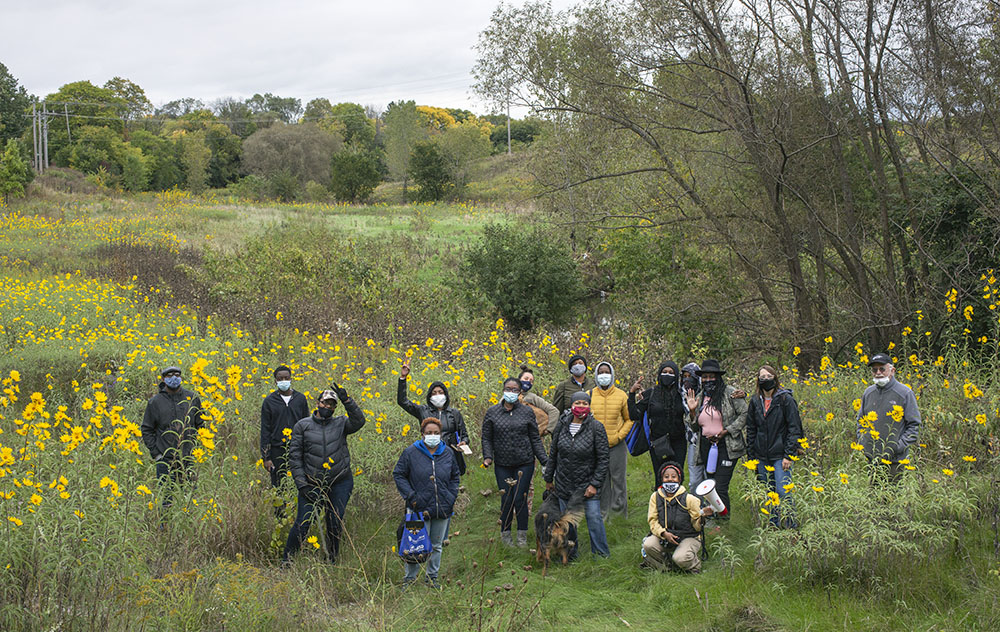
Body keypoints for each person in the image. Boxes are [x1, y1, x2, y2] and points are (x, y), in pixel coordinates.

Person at [283, 385, 366, 565]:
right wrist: (302, 484)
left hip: (339, 481)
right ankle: (287, 560)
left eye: (331, 405)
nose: (327, 407)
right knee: (303, 523)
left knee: (334, 521)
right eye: (324, 403)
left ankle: (332, 559)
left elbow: (359, 421)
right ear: (318, 403)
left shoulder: (341, 423)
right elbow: (295, 457)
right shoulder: (303, 426)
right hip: (312, 483)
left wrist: (347, 401)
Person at [393, 418, 461, 590]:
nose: (433, 436)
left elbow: (455, 476)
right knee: (414, 545)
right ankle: (409, 580)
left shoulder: (448, 453)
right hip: (418, 508)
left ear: (441, 434)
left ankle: (432, 578)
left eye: (436, 433)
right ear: (422, 434)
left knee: (437, 545)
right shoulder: (411, 452)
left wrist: (451, 496)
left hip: (442, 507)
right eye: (429, 433)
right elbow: (399, 474)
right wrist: (411, 496)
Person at [481, 377, 548, 547]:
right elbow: (487, 438)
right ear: (503, 390)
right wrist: (488, 457)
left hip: (524, 462)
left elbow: (535, 438)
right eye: (508, 389)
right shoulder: (492, 412)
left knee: (520, 498)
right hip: (502, 464)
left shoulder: (526, 412)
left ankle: (522, 537)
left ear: (519, 393)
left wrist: (544, 460)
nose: (511, 392)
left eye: (514, 390)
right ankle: (506, 536)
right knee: (507, 499)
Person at [543, 391, 610, 558]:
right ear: (571, 405)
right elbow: (553, 454)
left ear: (589, 406)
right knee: (568, 523)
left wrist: (594, 484)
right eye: (578, 403)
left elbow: (603, 459)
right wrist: (549, 479)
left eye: (585, 403)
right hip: (564, 483)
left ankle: (601, 555)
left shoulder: (596, 427)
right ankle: (570, 555)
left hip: (587, 484)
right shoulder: (561, 425)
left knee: (594, 519)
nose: (581, 406)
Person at [684, 359, 747, 520]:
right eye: (704, 377)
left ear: (718, 377)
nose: (708, 380)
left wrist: (727, 431)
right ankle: (712, 518)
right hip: (706, 447)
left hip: (726, 447)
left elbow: (745, 413)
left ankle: (724, 522)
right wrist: (692, 412)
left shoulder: (730, 393)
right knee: (710, 485)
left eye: (711, 376)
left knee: (720, 486)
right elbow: (694, 426)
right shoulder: (700, 397)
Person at [746, 365, 803, 528]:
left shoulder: (786, 400)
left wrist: (788, 455)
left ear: (775, 378)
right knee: (769, 493)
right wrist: (752, 458)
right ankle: (774, 525)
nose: (765, 380)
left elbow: (794, 428)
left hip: (780, 455)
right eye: (762, 377)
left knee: (783, 491)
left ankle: (791, 526)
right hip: (761, 455)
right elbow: (751, 429)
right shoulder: (755, 401)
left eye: (769, 376)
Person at [141, 366, 204, 509]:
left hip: (188, 458)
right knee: (166, 498)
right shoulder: (155, 402)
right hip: (165, 459)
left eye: (177, 374)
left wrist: (198, 449)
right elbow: (146, 429)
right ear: (163, 379)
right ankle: (165, 528)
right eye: (170, 375)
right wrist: (157, 454)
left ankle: (189, 527)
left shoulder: (192, 398)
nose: (174, 378)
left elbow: (201, 424)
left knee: (189, 498)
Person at [397, 357, 470, 475]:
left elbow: (464, 435)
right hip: (428, 454)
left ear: (446, 395)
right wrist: (403, 378)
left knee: (448, 484)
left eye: (441, 392)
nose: (437, 395)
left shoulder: (454, 413)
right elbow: (403, 401)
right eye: (434, 393)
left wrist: (464, 442)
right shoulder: (422, 411)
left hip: (449, 456)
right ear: (429, 396)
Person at [857, 353, 920, 482]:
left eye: (882, 369)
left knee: (893, 498)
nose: (878, 373)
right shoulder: (868, 393)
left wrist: (897, 447)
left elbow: (914, 425)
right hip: (872, 459)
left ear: (892, 370)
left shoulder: (905, 393)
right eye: (874, 370)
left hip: (895, 461)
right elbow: (860, 421)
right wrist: (863, 443)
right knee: (873, 497)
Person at [641, 462, 711, 572]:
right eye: (666, 477)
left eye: (674, 477)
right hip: (665, 535)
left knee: (680, 558)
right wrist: (663, 533)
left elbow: (697, 527)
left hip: (688, 537)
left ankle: (694, 566)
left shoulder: (690, 499)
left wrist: (702, 518)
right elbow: (652, 521)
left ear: (679, 479)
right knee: (648, 545)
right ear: (661, 479)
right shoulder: (655, 497)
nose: (670, 479)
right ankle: (666, 567)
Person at [629, 361, 688, 489]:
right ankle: (660, 508)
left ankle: (677, 507)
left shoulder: (682, 394)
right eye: (664, 372)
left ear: (676, 375)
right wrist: (632, 393)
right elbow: (634, 414)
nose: (667, 375)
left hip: (678, 442)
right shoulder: (651, 393)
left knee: (677, 477)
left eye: (671, 373)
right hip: (658, 442)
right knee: (660, 478)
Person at [590, 361, 632, 520]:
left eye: (606, 372)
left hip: (617, 445)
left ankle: (620, 516)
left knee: (618, 480)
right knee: (602, 481)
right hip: (597, 446)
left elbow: (629, 419)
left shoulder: (621, 395)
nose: (603, 375)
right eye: (600, 372)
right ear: (596, 375)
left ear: (612, 374)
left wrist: (619, 436)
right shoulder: (590, 395)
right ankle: (603, 515)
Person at [260, 365, 310, 489]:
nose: (283, 381)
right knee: (278, 486)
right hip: (278, 450)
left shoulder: (300, 399)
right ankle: (280, 509)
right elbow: (265, 430)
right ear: (275, 381)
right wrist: (266, 457)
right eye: (280, 378)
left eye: (286, 378)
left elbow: (307, 425)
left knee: (300, 484)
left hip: (298, 448)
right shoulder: (269, 401)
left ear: (291, 379)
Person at [680, 362, 705, 491]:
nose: (687, 379)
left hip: (708, 440)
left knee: (708, 477)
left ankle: (711, 508)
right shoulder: (681, 394)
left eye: (690, 376)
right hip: (693, 441)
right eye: (684, 376)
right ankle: (696, 508)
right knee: (694, 480)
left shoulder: (707, 393)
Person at [517, 366, 559, 437]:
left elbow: (554, 411)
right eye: (526, 379)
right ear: (519, 379)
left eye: (531, 381)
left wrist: (548, 430)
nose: (528, 382)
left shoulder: (532, 397)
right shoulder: (508, 395)